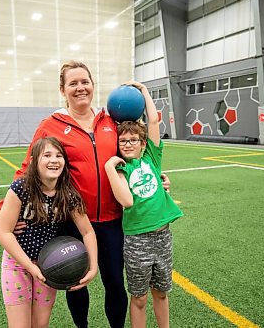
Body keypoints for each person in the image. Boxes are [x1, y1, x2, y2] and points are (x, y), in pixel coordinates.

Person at [10, 60, 170, 328]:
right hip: (72, 220)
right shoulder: (51, 125)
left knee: (115, 283)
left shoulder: (111, 120)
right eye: (73, 83)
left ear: (93, 86)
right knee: (75, 283)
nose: (80, 88)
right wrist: (11, 211)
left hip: (113, 220)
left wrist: (157, 181)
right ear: (62, 90)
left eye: (85, 82)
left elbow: (135, 154)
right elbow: (28, 170)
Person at [0, 137, 98, 328]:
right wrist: (30, 267)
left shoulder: (68, 194)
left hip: (48, 266)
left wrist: (93, 268)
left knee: (40, 324)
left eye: (59, 155)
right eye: (47, 155)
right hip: (17, 265)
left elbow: (87, 232)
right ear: (34, 161)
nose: (54, 160)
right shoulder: (21, 189)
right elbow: (3, 233)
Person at [104, 81, 183, 328]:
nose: (128, 144)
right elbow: (127, 201)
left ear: (142, 143)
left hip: (163, 237)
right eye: (123, 141)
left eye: (133, 140)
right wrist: (110, 166)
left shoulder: (152, 158)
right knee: (138, 297)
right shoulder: (120, 169)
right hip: (137, 240)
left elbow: (154, 122)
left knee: (161, 293)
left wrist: (145, 91)